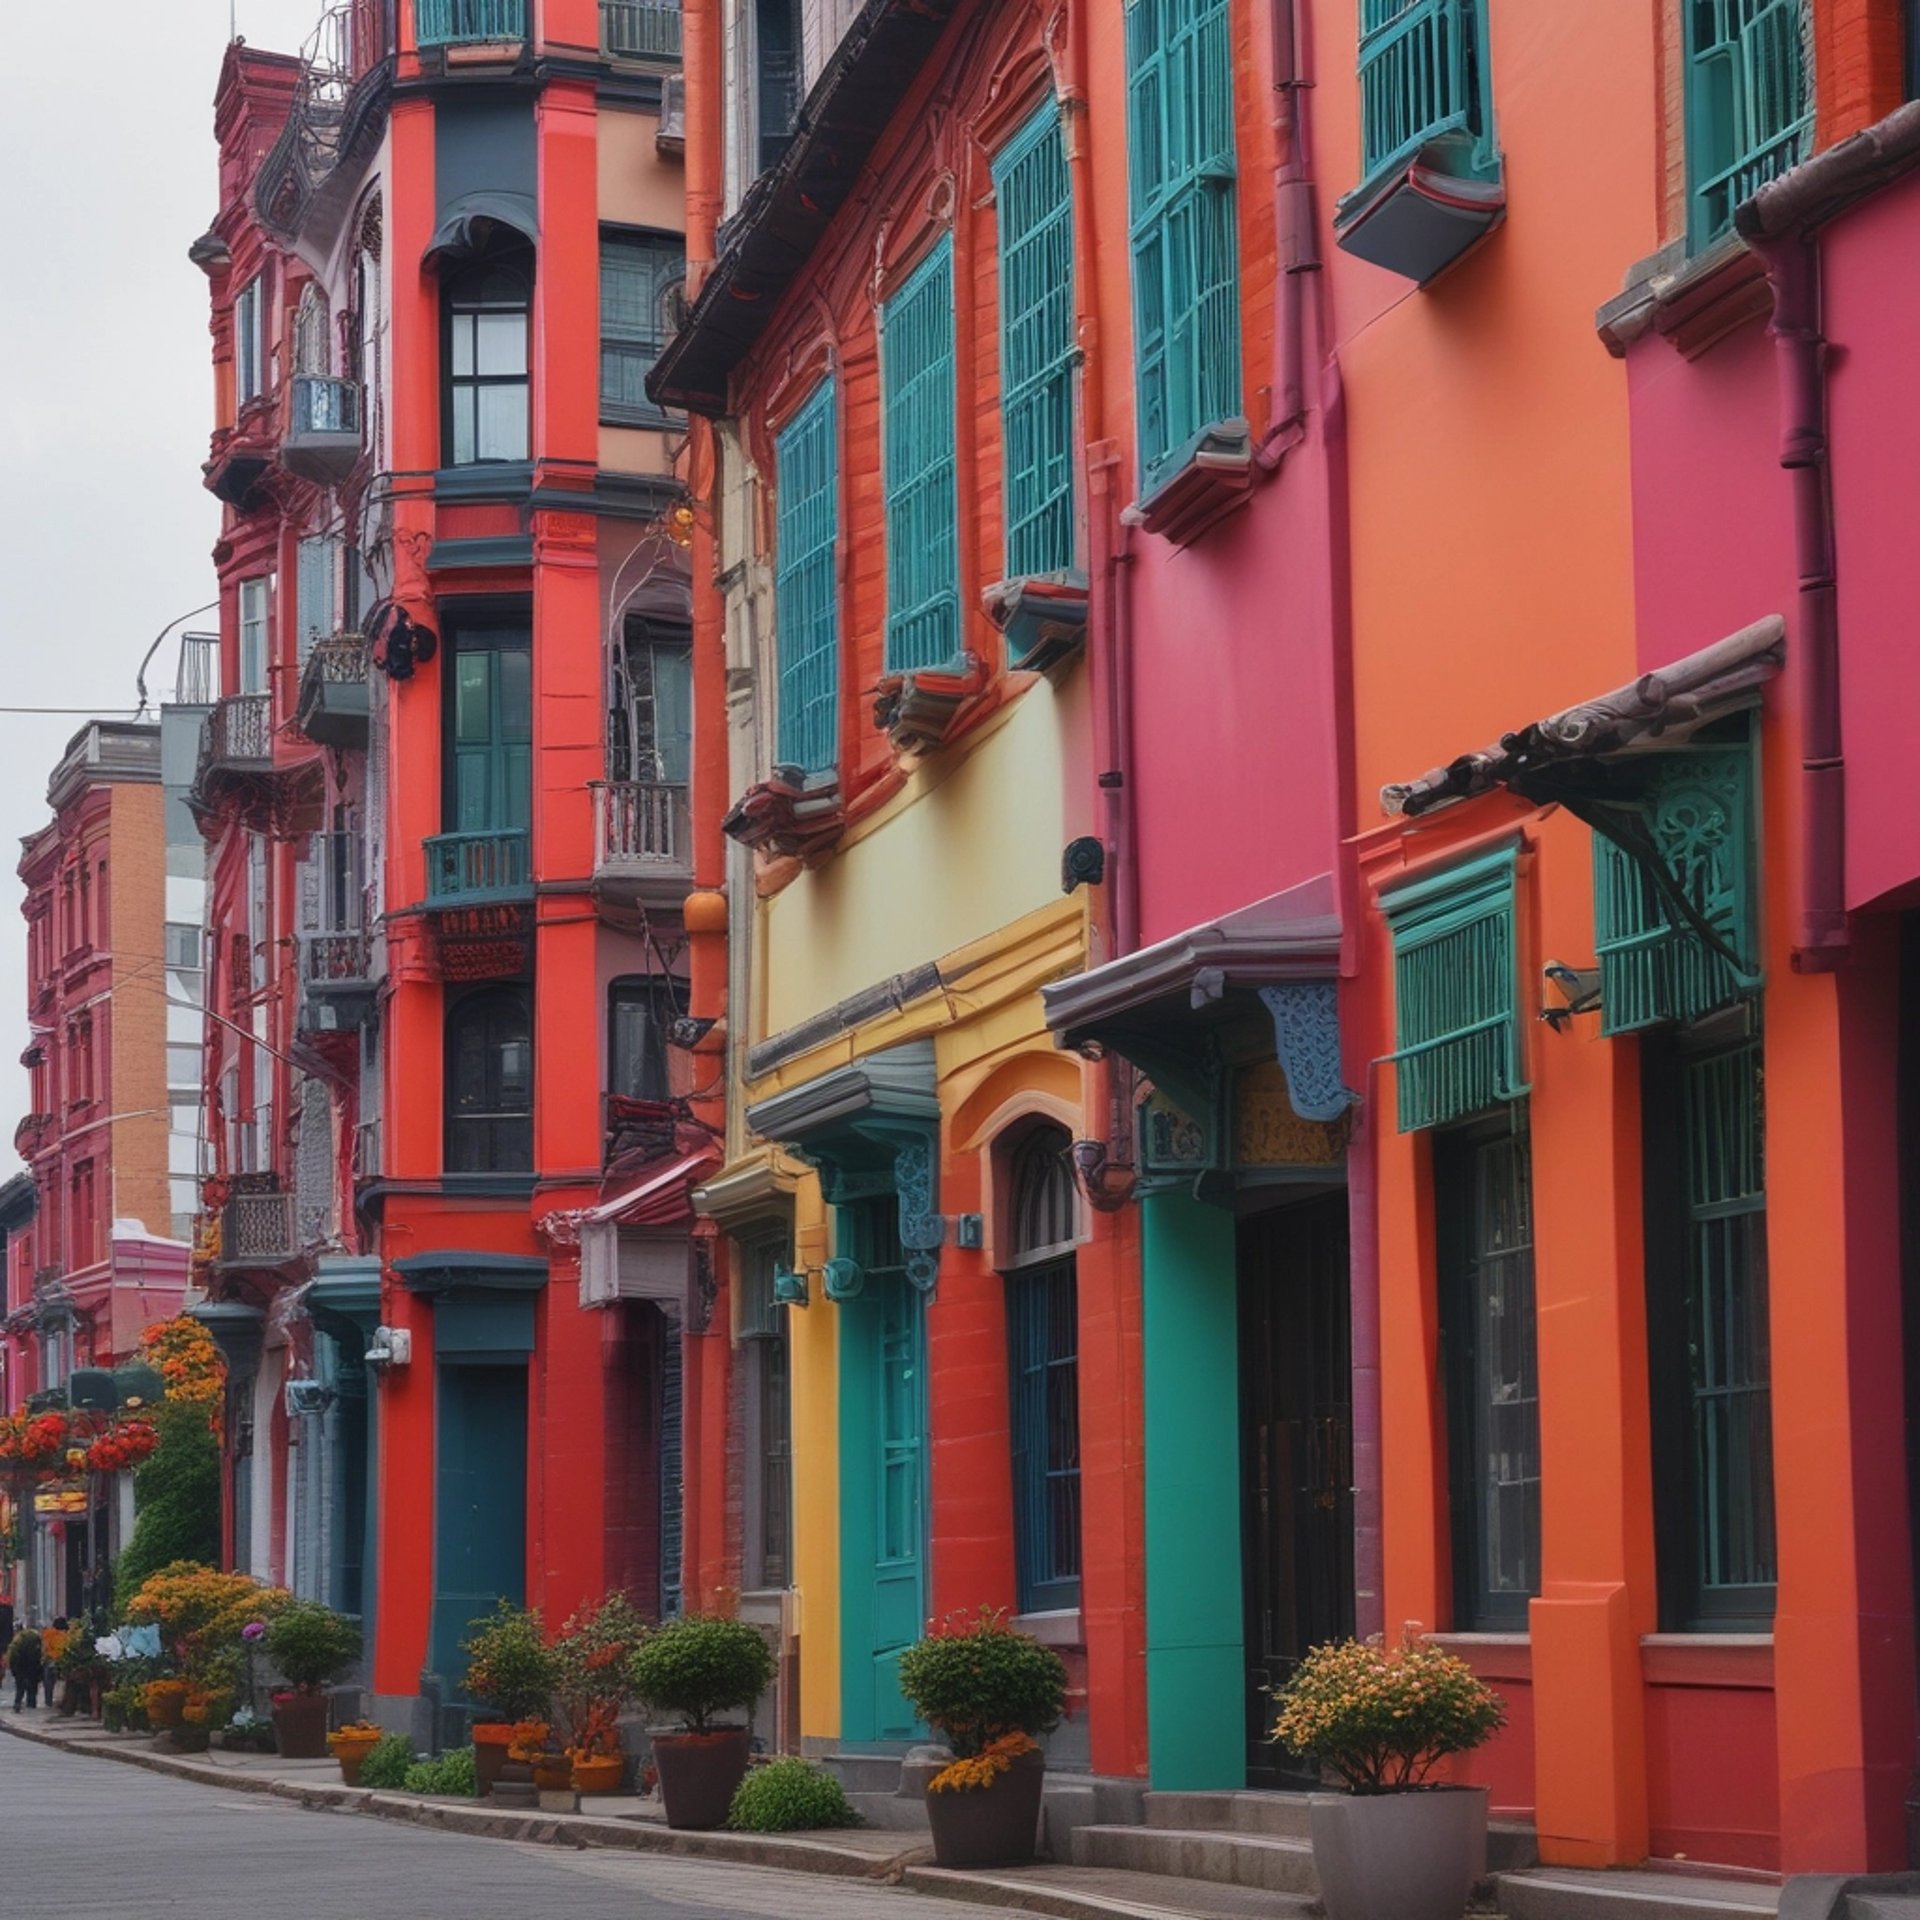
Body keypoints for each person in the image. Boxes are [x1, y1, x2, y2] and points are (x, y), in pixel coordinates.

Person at [8, 1626, 43, 1712]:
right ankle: (31, 1705)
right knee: (32, 1688)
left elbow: (12, 1655)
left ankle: (18, 1703)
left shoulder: (18, 1639)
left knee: (20, 1687)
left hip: (20, 1666)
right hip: (33, 1666)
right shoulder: (36, 1637)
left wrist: (13, 1669)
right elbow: (41, 1653)